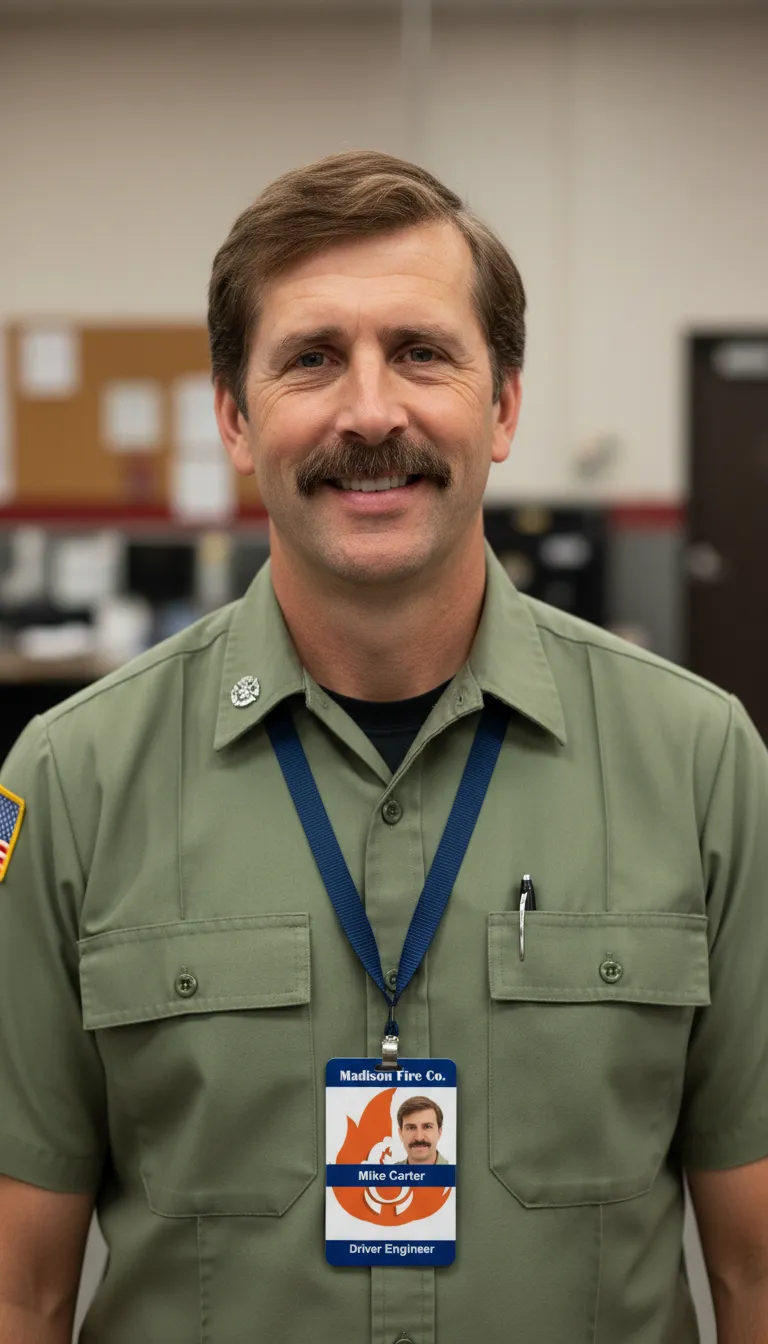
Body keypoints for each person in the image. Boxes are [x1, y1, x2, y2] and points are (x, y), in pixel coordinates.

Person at [1, 148, 767, 1344]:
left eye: (421, 351)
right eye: (311, 359)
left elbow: (756, 1272)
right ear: (235, 421)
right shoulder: (67, 782)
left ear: (503, 405)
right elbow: (22, 1291)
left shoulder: (702, 765)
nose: (370, 411)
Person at [394, 1097, 448, 1166]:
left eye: (427, 1127)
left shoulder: (458, 1173)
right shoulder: (387, 1175)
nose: (419, 1137)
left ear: (439, 1133)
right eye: (411, 1128)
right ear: (401, 1134)